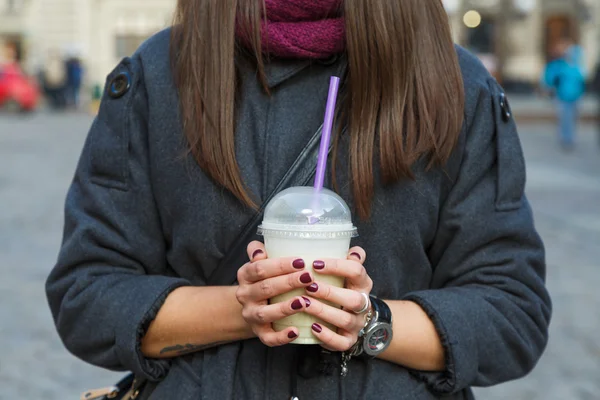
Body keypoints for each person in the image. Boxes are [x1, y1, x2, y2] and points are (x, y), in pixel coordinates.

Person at [46, 1, 551, 399]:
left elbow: (512, 312)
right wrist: (246, 307)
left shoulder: (458, 84)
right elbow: (87, 295)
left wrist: (370, 321)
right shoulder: (156, 75)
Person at [543, 38, 586, 150]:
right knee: (565, 118)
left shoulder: (576, 66)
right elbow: (550, 79)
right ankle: (565, 138)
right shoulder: (559, 66)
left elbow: (581, 80)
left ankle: (570, 137)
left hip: (575, 96)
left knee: (573, 118)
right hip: (563, 96)